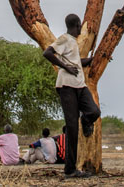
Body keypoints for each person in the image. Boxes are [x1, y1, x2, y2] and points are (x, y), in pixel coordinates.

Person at [43, 13, 101, 179]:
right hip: (67, 87)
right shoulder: (64, 39)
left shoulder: (73, 43)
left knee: (94, 111)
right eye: (79, 27)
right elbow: (47, 53)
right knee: (72, 129)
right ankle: (70, 170)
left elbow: (77, 63)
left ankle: (86, 120)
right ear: (76, 25)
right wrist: (66, 67)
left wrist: (94, 59)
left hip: (79, 86)